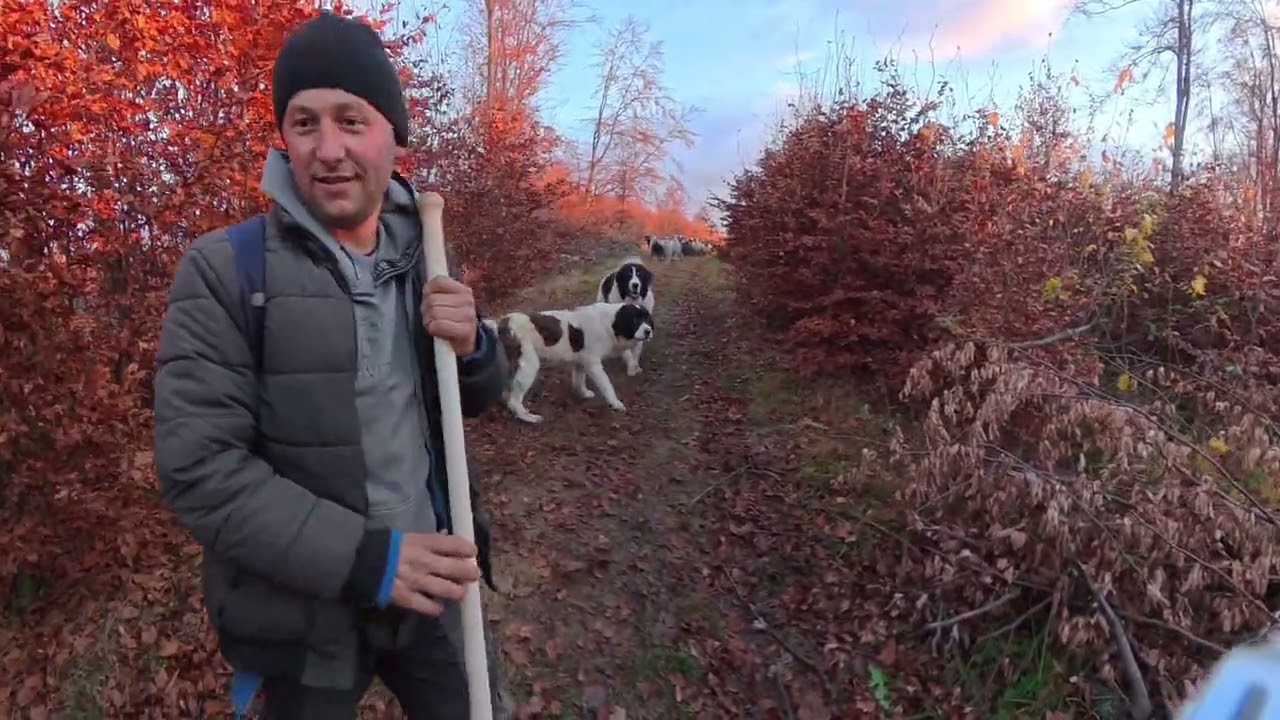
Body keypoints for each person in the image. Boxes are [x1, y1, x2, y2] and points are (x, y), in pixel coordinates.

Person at [151, 11, 510, 720]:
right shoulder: (226, 270)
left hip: (433, 583)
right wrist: (370, 561)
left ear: (393, 134)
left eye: (351, 120)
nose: (329, 149)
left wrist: (476, 348)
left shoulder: (427, 252)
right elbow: (199, 469)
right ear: (283, 139)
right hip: (305, 612)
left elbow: (473, 398)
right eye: (305, 122)